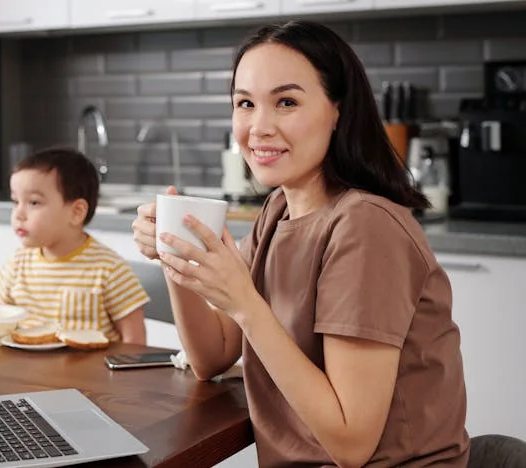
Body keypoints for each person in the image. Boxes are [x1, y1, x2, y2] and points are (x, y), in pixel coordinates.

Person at [131, 20, 469, 467]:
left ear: (339, 112)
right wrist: (176, 254)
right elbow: (210, 357)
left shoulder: (366, 226)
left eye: (286, 102)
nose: (259, 126)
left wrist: (246, 305)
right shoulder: (278, 211)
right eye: (245, 103)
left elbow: (351, 444)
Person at [0, 147, 149, 345]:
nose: (19, 214)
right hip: (27, 376)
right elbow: (0, 310)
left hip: (90, 381)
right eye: (16, 201)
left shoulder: (110, 269)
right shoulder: (18, 263)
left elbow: (135, 342)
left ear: (76, 212)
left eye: (33, 202)